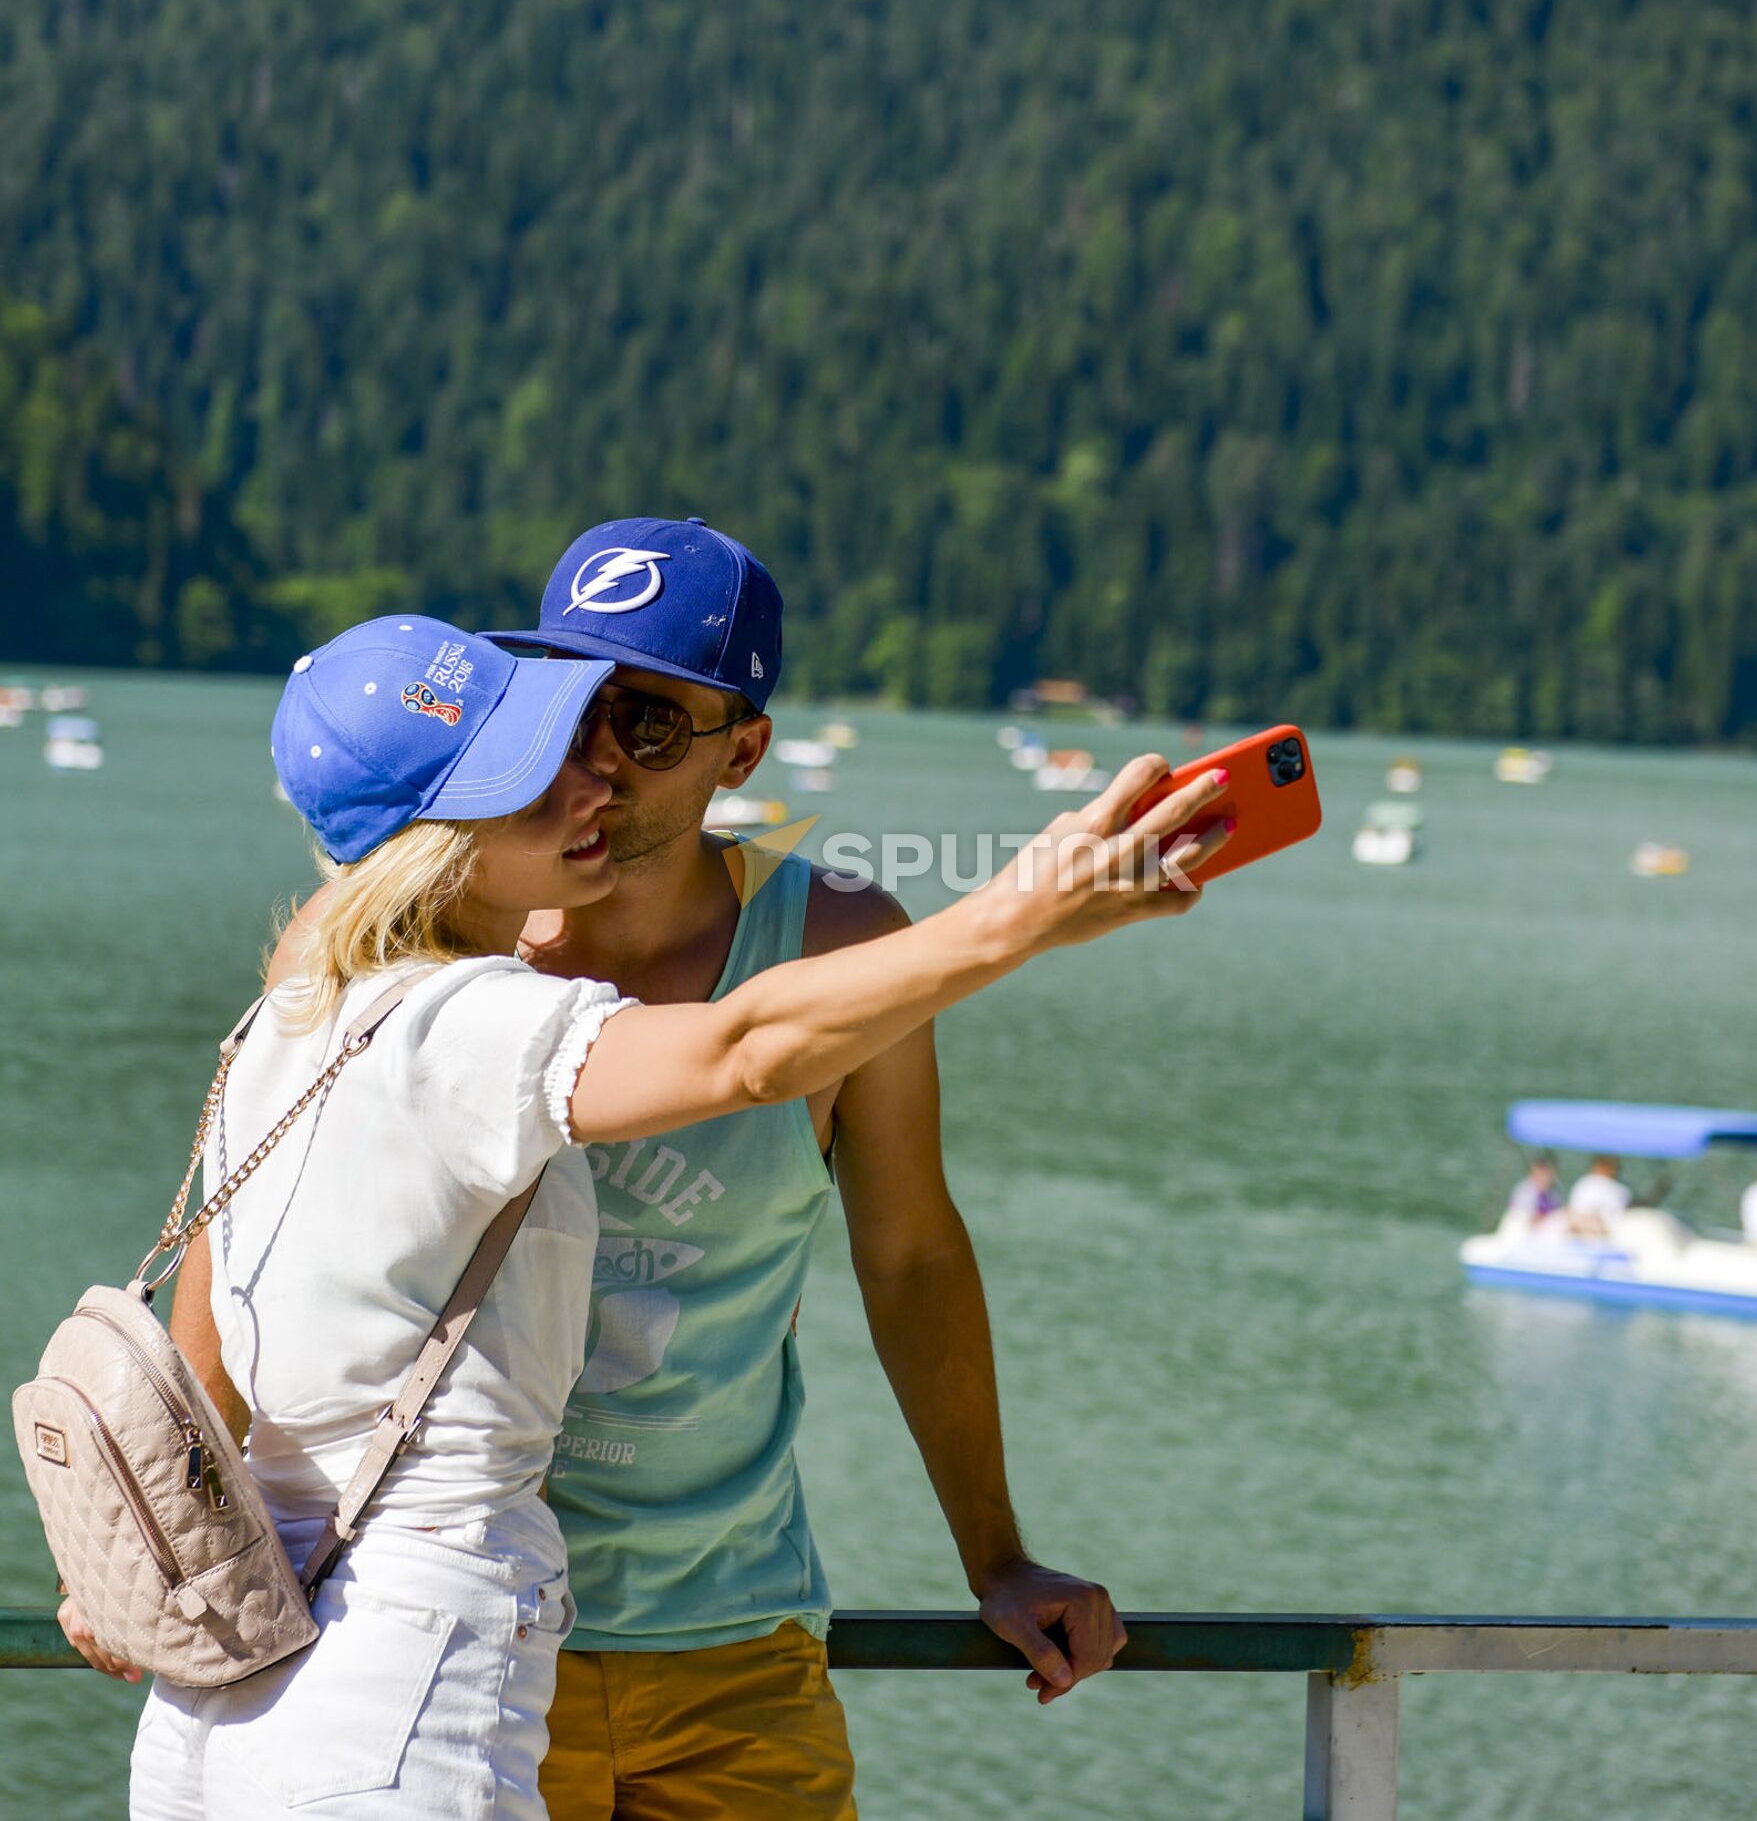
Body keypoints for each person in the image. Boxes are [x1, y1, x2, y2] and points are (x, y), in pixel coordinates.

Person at [58, 611, 1233, 1821]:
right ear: (437, 837)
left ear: (745, 750)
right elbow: (746, 1046)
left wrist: (152, 1543)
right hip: (409, 1679)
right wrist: (1026, 911)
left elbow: (236, 1257)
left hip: (275, 1660)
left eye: (623, 734)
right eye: (541, 767)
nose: (594, 780)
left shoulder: (308, 1002)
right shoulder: (466, 1026)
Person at [497, 517, 1133, 1817]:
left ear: (745, 750)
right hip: (470, 1637)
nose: (598, 762)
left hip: (733, 1641)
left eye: (650, 726)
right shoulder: (452, 931)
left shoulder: (833, 942)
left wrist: (996, 1558)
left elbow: (909, 1253)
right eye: (571, 712)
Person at [1565, 1154, 1631, 1237]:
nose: (1604, 1169)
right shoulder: (1584, 1183)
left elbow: (1616, 1220)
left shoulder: (1621, 1191)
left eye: (1608, 1166)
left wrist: (1599, 1225)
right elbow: (1572, 1212)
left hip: (1605, 1233)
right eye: (1602, 1165)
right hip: (1579, 1228)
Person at [1505, 1154, 1561, 1228]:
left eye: (1550, 1174)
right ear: (1533, 1172)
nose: (1547, 1177)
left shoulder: (1552, 1192)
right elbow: (1526, 1221)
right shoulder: (1524, 1192)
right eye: (1543, 1173)